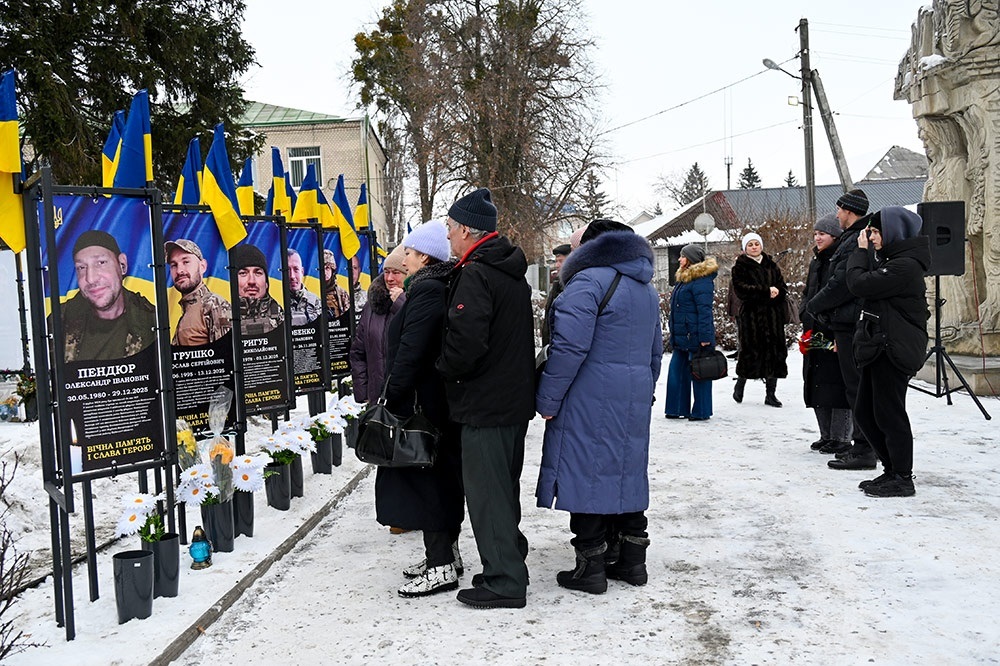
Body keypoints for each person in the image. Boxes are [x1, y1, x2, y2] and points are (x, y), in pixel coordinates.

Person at [536, 220, 662, 594]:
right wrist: (644, 389)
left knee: (586, 471)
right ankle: (632, 560)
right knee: (626, 469)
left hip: (588, 393)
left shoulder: (587, 282)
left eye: (576, 247)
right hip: (633, 394)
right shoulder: (645, 288)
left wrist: (547, 397)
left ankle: (589, 565)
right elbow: (655, 352)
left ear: (594, 248)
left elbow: (569, 349)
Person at [436, 187, 535, 610]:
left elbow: (466, 344)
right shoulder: (508, 271)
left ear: (465, 231)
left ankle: (504, 580)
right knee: (502, 488)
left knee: (487, 494)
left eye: (450, 229)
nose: (448, 238)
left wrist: (442, 367)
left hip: (485, 403)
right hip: (511, 401)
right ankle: (508, 559)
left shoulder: (476, 273)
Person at [376, 221, 465, 598]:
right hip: (432, 402)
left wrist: (391, 396)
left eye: (409, 253)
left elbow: (411, 351)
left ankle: (441, 564)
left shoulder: (427, 290)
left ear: (424, 256)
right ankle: (446, 557)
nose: (404, 261)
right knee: (440, 479)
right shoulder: (435, 286)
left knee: (428, 483)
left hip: (422, 406)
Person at [847, 207, 930, 497]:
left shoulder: (904, 265)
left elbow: (858, 284)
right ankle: (891, 469)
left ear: (894, 232)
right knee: (866, 412)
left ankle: (903, 477)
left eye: (876, 231)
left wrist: (859, 254)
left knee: (889, 413)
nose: (870, 236)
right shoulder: (893, 261)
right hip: (879, 345)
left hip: (894, 347)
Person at [804, 189, 878, 466]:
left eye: (839, 210)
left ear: (850, 210)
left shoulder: (857, 239)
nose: (837, 215)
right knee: (853, 388)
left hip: (849, 324)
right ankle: (862, 446)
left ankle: (863, 449)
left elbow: (841, 283)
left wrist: (814, 306)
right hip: (842, 321)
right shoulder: (853, 238)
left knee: (856, 390)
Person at [798, 214, 852, 453]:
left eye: (822, 234)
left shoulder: (840, 260)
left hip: (833, 330)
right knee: (816, 382)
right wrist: (804, 313)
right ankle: (826, 434)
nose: (817, 238)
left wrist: (824, 318)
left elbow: (838, 294)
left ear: (835, 236)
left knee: (836, 384)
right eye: (816, 234)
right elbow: (808, 293)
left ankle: (841, 437)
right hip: (813, 329)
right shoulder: (816, 261)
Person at [62, 230, 156, 362]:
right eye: (81, 267)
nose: (91, 278)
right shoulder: (58, 322)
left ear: (122, 265)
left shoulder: (152, 321)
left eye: (101, 263)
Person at [731, 232, 788, 407]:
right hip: (752, 317)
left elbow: (781, 285)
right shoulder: (740, 267)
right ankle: (740, 385)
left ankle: (771, 394)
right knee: (750, 352)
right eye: (750, 244)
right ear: (745, 248)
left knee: (774, 352)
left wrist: (777, 291)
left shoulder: (771, 265)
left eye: (757, 244)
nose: (754, 247)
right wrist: (765, 292)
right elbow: (741, 290)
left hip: (772, 316)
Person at [664, 243, 717, 421]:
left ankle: (701, 411)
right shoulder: (684, 279)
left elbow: (705, 311)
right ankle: (676, 408)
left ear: (691, 259)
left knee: (700, 372)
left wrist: (705, 338)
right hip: (682, 335)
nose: (679, 259)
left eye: (682, 256)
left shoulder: (701, 280)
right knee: (676, 372)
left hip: (695, 335)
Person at [350, 245, 406, 403]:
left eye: (396, 272)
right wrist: (363, 393)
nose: (389, 278)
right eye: (386, 272)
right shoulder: (372, 306)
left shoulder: (416, 302)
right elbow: (358, 353)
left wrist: (401, 302)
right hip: (378, 400)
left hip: (408, 400)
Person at [166, 239, 232, 346]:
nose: (179, 271)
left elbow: (226, 356)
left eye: (186, 262)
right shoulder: (188, 311)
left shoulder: (213, 304)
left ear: (202, 267)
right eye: (174, 265)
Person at [232, 243, 283, 336]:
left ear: (266, 283)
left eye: (258, 273)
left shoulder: (283, 318)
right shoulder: (223, 316)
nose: (251, 281)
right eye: (243, 273)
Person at [540, 243, 571, 346]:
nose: (557, 265)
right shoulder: (557, 283)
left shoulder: (572, 285)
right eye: (556, 261)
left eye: (561, 261)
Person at [286, 249, 322, 326]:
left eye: (296, 269)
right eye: (287, 270)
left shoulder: (316, 302)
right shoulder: (279, 303)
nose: (292, 276)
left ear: (302, 272)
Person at [323, 249, 351, 319]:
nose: (325, 272)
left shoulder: (341, 293)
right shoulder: (314, 291)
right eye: (322, 269)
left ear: (332, 270)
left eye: (327, 268)